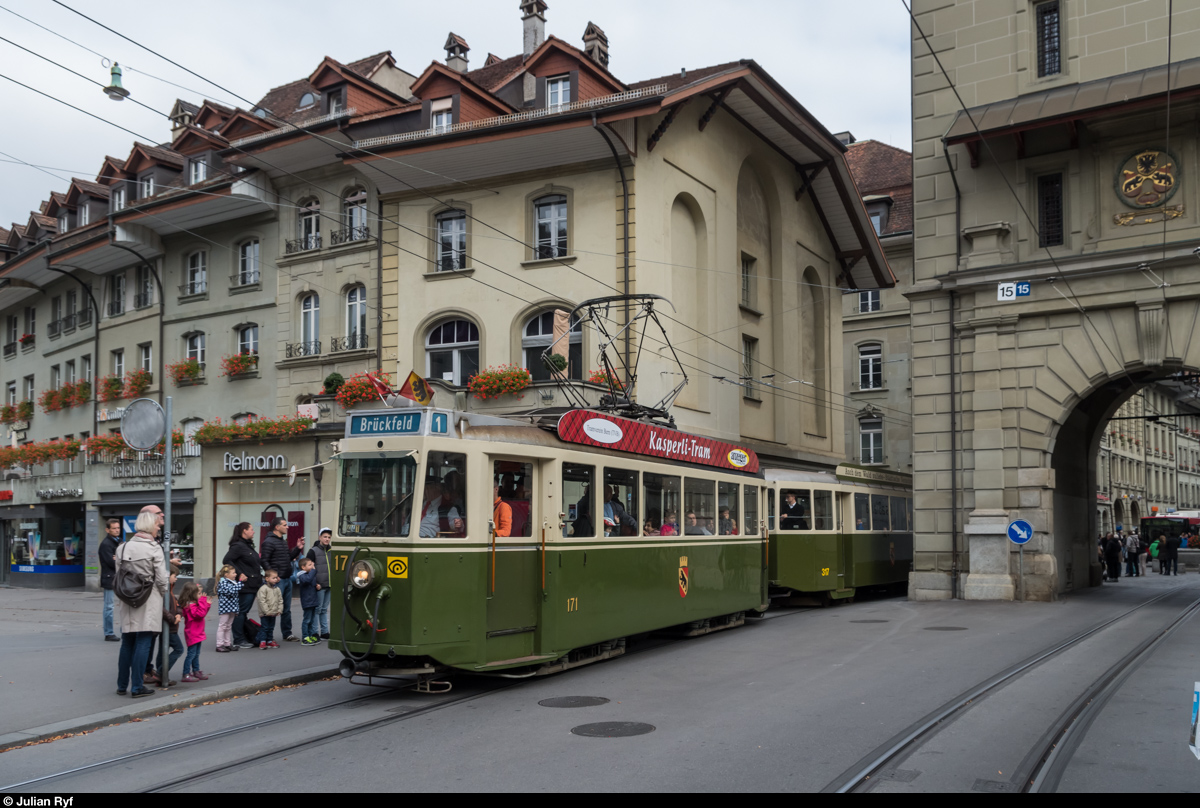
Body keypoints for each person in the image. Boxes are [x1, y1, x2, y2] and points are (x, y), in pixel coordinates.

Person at [114, 509, 168, 698]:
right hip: (148, 597)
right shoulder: (154, 548)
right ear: (149, 526)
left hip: (127, 597)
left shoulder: (123, 547)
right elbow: (161, 579)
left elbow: (119, 575)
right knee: (144, 640)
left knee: (127, 641)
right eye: (156, 524)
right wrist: (163, 594)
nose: (158, 527)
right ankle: (137, 686)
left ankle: (122, 685)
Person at [259, 517, 304, 642]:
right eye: (284, 525)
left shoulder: (282, 541)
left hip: (287, 579)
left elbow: (288, 558)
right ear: (277, 527)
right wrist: (273, 576)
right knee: (273, 609)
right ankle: (269, 637)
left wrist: (298, 548)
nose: (287, 527)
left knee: (286, 609)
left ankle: (287, 633)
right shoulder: (269, 542)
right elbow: (264, 561)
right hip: (277, 581)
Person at [222, 522, 264, 649]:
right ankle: (239, 639)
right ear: (244, 531)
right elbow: (226, 560)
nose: (254, 531)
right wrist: (240, 573)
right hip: (246, 586)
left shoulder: (247, 545)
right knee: (240, 612)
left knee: (242, 612)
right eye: (251, 529)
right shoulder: (238, 546)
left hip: (252, 584)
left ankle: (242, 637)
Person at [179, 582, 211, 682]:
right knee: (192, 654)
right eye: (198, 594)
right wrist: (203, 601)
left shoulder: (193, 604)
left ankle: (196, 671)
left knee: (196, 653)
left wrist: (207, 605)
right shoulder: (190, 605)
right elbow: (200, 614)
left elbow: (203, 613)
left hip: (197, 632)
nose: (200, 595)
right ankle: (186, 673)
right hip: (193, 633)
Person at [306, 528, 333, 641]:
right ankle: (315, 632)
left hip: (329, 585)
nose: (327, 539)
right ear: (320, 537)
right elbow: (308, 569)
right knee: (317, 609)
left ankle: (325, 632)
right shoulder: (313, 551)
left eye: (329, 537)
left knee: (324, 609)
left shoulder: (332, 550)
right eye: (325, 537)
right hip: (319, 585)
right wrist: (315, 583)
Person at [99, 518, 121, 642]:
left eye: (118, 528)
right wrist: (120, 559)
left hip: (120, 578)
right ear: (107, 530)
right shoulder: (106, 544)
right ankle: (109, 633)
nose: (117, 530)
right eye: (114, 528)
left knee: (125, 606)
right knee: (109, 607)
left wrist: (118, 558)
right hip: (110, 579)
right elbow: (111, 563)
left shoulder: (120, 541)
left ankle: (125, 631)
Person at [214, 565, 246, 653]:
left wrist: (236, 609)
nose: (235, 574)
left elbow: (235, 591)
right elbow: (232, 591)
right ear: (226, 574)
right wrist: (240, 581)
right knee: (223, 626)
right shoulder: (223, 582)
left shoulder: (232, 581)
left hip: (232, 608)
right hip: (225, 608)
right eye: (233, 573)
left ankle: (227, 644)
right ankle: (219, 645)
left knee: (228, 626)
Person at [255, 569, 284, 649]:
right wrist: (267, 611)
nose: (275, 580)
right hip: (265, 613)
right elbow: (262, 601)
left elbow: (280, 600)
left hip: (274, 612)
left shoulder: (277, 589)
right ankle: (263, 641)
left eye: (276, 578)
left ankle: (270, 640)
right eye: (273, 578)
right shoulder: (263, 589)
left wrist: (279, 610)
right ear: (267, 578)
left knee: (271, 627)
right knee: (265, 627)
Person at [296, 558, 321, 645]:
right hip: (307, 601)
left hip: (313, 600)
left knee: (311, 620)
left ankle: (310, 635)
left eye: (312, 564)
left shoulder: (310, 574)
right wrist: (314, 570)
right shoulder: (302, 575)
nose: (312, 566)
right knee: (307, 620)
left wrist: (317, 587)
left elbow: (311, 584)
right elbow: (307, 580)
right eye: (310, 565)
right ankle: (305, 637)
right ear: (303, 567)